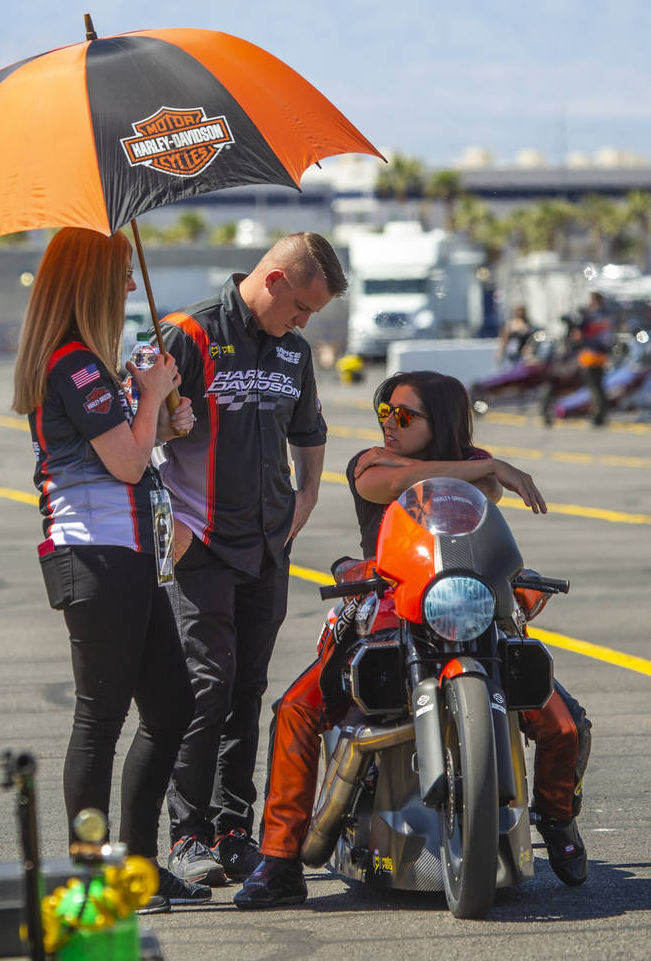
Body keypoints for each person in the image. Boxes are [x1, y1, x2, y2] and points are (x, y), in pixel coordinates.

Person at [234, 370, 591, 909]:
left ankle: (558, 819)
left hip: (464, 604)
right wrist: (488, 465)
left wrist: (485, 468)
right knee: (297, 710)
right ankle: (280, 860)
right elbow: (386, 486)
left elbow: (484, 493)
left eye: (403, 415)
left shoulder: (476, 468)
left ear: (440, 420)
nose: (389, 423)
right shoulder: (371, 462)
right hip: (389, 611)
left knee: (563, 723)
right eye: (385, 412)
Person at [11, 227, 207, 912]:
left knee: (172, 705)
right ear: (91, 281)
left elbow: (131, 449)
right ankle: (92, 876)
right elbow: (125, 464)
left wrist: (164, 416)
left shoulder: (91, 363)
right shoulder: (76, 366)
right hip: (96, 554)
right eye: (120, 274)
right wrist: (151, 396)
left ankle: (139, 864)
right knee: (101, 718)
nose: (130, 285)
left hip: (127, 553)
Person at [155, 232, 347, 887]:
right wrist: (167, 508)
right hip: (201, 542)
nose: (304, 323)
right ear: (274, 280)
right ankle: (186, 834)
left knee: (247, 688)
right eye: (301, 308)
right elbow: (129, 435)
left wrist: (308, 495)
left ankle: (234, 828)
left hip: (268, 544)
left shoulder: (294, 351)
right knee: (205, 686)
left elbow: (308, 431)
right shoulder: (186, 334)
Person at [571, 291, 614, 426]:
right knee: (599, 387)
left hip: (590, 355)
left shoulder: (589, 315)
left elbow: (578, 335)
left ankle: (597, 415)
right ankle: (602, 413)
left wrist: (577, 341)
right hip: (602, 355)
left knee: (593, 387)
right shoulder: (607, 315)